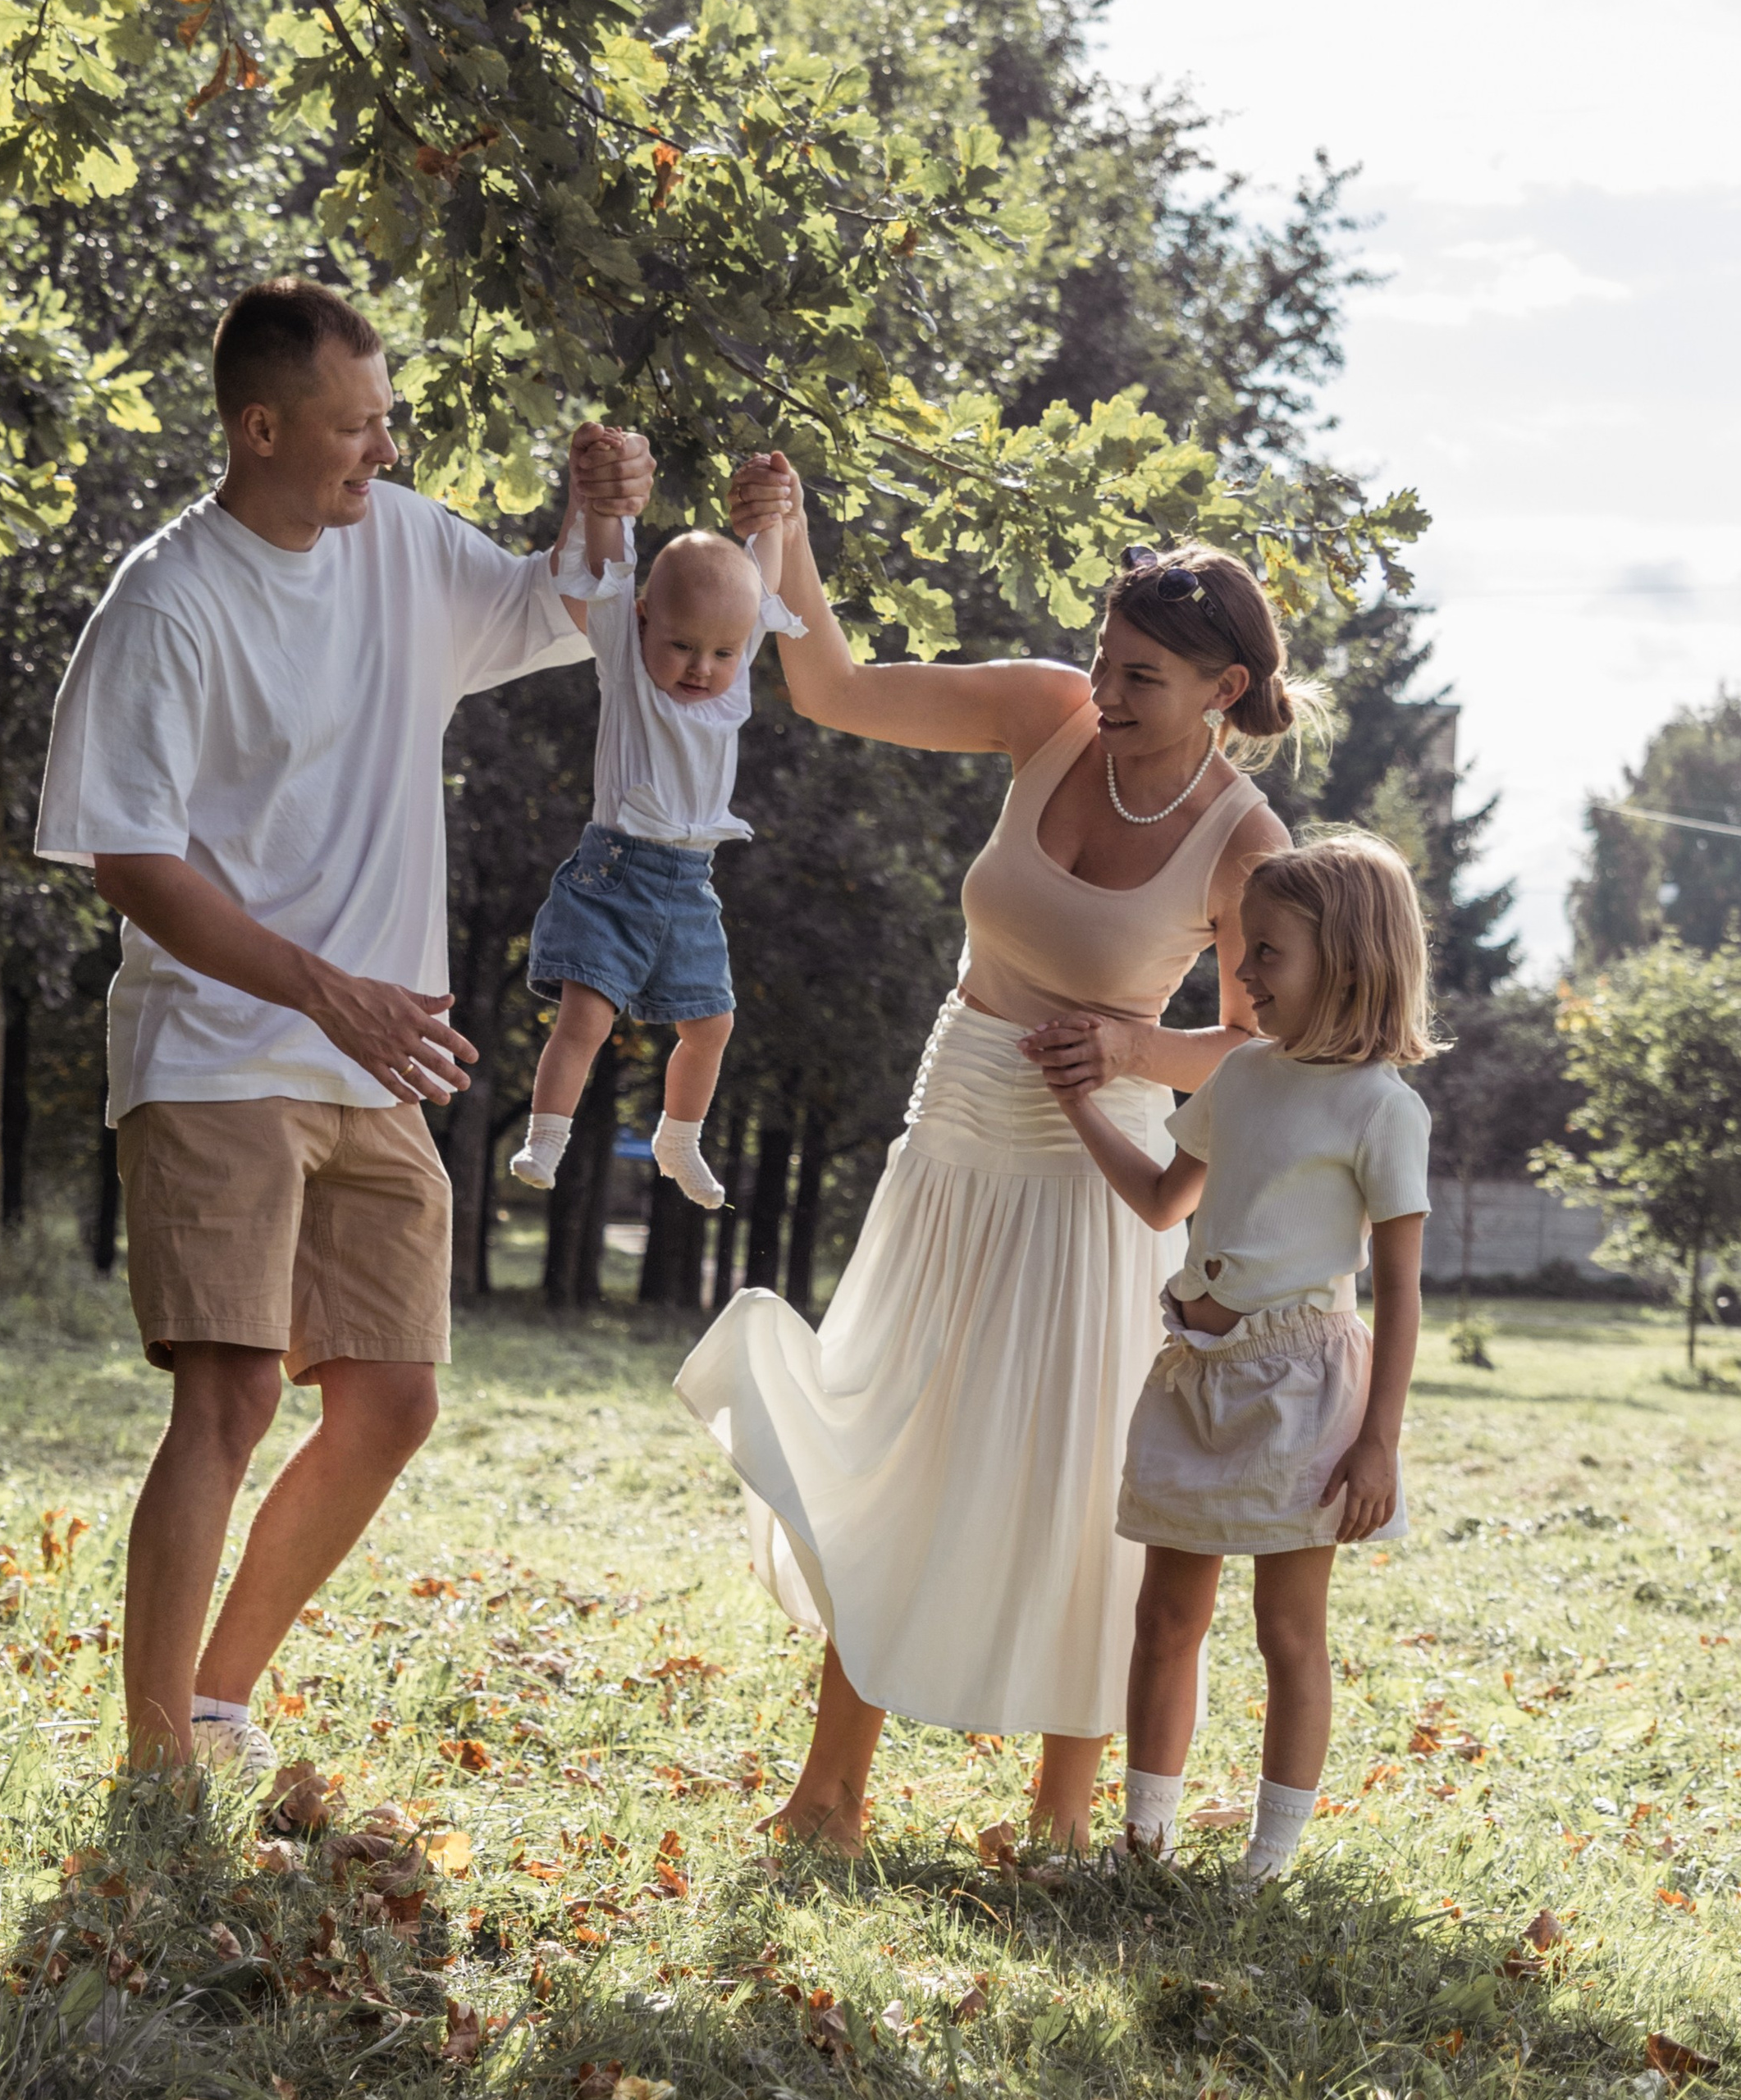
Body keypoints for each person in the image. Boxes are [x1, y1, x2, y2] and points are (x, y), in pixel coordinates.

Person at [34, 276, 654, 1783]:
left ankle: (220, 1700)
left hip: (372, 1056)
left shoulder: (405, 548)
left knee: (392, 1395)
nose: (383, 450)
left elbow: (558, 609)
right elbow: (133, 860)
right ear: (260, 428)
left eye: (390, 421)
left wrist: (601, 515)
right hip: (221, 1047)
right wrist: (323, 988)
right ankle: (154, 1756)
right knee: (234, 1392)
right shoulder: (169, 602)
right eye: (354, 425)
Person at [679, 458, 1307, 1854]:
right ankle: (830, 1794)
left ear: (1220, 690)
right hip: (955, 1122)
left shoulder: (1245, 845)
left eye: (1142, 673)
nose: (1107, 685)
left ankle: (1064, 1825)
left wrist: (1141, 1053)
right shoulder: (1043, 718)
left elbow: (1265, 1054)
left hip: (1096, 1168)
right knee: (906, 1436)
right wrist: (783, 534)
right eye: (1103, 655)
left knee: (1086, 1483)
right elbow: (831, 687)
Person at [1051, 833, 1433, 1883]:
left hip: (1301, 1395)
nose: (1243, 975)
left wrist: (1378, 1442)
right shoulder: (1240, 1075)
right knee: (1165, 1614)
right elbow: (1163, 1199)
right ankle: (1144, 1841)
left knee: (1286, 1631)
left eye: (1266, 953)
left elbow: (1398, 1289)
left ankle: (1265, 1861)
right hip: (1193, 1378)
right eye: (1240, 949)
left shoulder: (1380, 1106)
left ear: (1347, 965)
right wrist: (1080, 1101)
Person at [509, 448, 804, 1208]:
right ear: (643, 622)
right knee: (587, 1015)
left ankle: (680, 1140)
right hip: (615, 872)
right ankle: (547, 1137)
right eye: (681, 645)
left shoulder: (733, 673)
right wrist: (607, 502)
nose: (701, 667)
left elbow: (760, 583)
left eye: (721, 652)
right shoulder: (625, 662)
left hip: (690, 884)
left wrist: (771, 513)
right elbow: (610, 567)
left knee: (713, 1025)